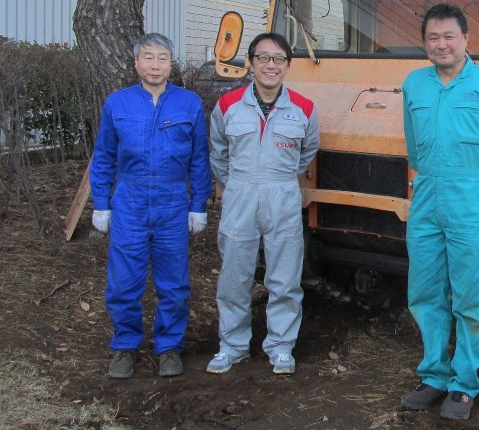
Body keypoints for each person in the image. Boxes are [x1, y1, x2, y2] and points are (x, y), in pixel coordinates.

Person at [400, 3, 479, 420]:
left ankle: (464, 383)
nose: (441, 44)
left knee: (469, 298)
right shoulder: (414, 84)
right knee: (424, 292)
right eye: (433, 38)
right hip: (427, 200)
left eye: (449, 36)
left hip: (472, 202)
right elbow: (414, 147)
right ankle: (434, 375)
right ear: (425, 43)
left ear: (466, 39)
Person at [90, 33, 213, 379]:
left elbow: (199, 159)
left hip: (172, 204)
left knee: (173, 283)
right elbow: (103, 157)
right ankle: (125, 346)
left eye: (162, 58)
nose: (155, 65)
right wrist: (101, 203)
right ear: (136, 63)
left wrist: (197, 204)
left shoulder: (188, 104)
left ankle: (169, 347)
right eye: (148, 57)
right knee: (123, 282)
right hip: (129, 202)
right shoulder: (118, 103)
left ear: (171, 63)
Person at [206, 32, 320, 375]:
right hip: (240, 193)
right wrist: (237, 185)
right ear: (251, 63)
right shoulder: (227, 106)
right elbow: (218, 152)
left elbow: (308, 153)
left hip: (283, 195)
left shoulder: (304, 109)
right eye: (263, 58)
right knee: (234, 276)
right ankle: (232, 345)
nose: (271, 65)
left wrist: (280, 180)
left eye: (278, 59)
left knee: (284, 277)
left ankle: (281, 346)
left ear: (287, 65)